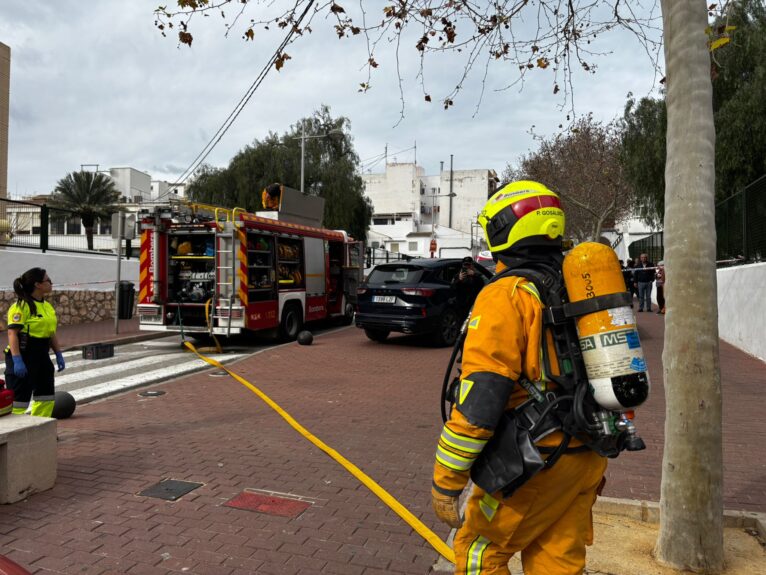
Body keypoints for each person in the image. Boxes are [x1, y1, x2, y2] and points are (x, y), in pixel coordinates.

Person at [431, 181, 607, 574]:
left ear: (501, 231)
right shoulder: (578, 288)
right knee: (556, 560)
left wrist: (447, 480)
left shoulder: (507, 294)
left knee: (479, 552)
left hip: (535, 464)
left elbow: (479, 404)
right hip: (587, 454)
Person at [4, 268, 65, 416]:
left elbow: (50, 333)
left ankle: (40, 430)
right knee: (19, 400)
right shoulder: (21, 306)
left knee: (46, 396)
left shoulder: (47, 306)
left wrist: (58, 353)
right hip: (23, 353)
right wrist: (17, 360)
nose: (51, 283)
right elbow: (12, 333)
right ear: (38, 284)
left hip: (41, 354)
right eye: (48, 280)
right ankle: (14, 434)